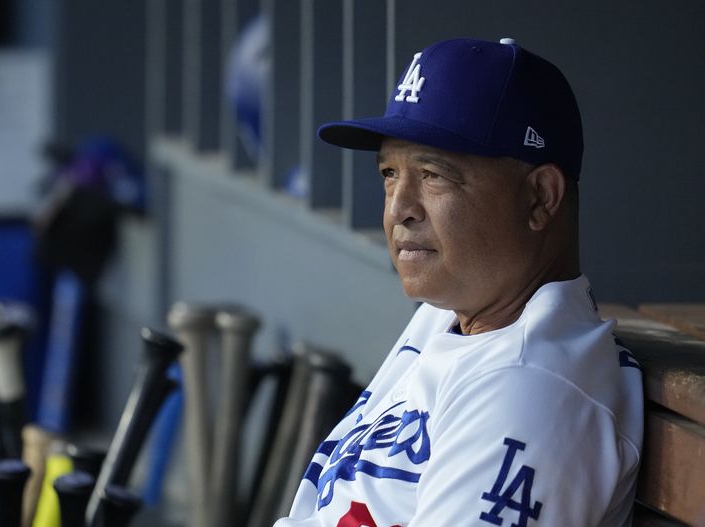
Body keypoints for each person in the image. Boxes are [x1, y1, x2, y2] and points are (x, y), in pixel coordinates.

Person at [273, 37, 643, 527]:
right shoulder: (445, 318)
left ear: (540, 198)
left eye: (432, 175)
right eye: (389, 172)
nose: (397, 209)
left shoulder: (531, 390)